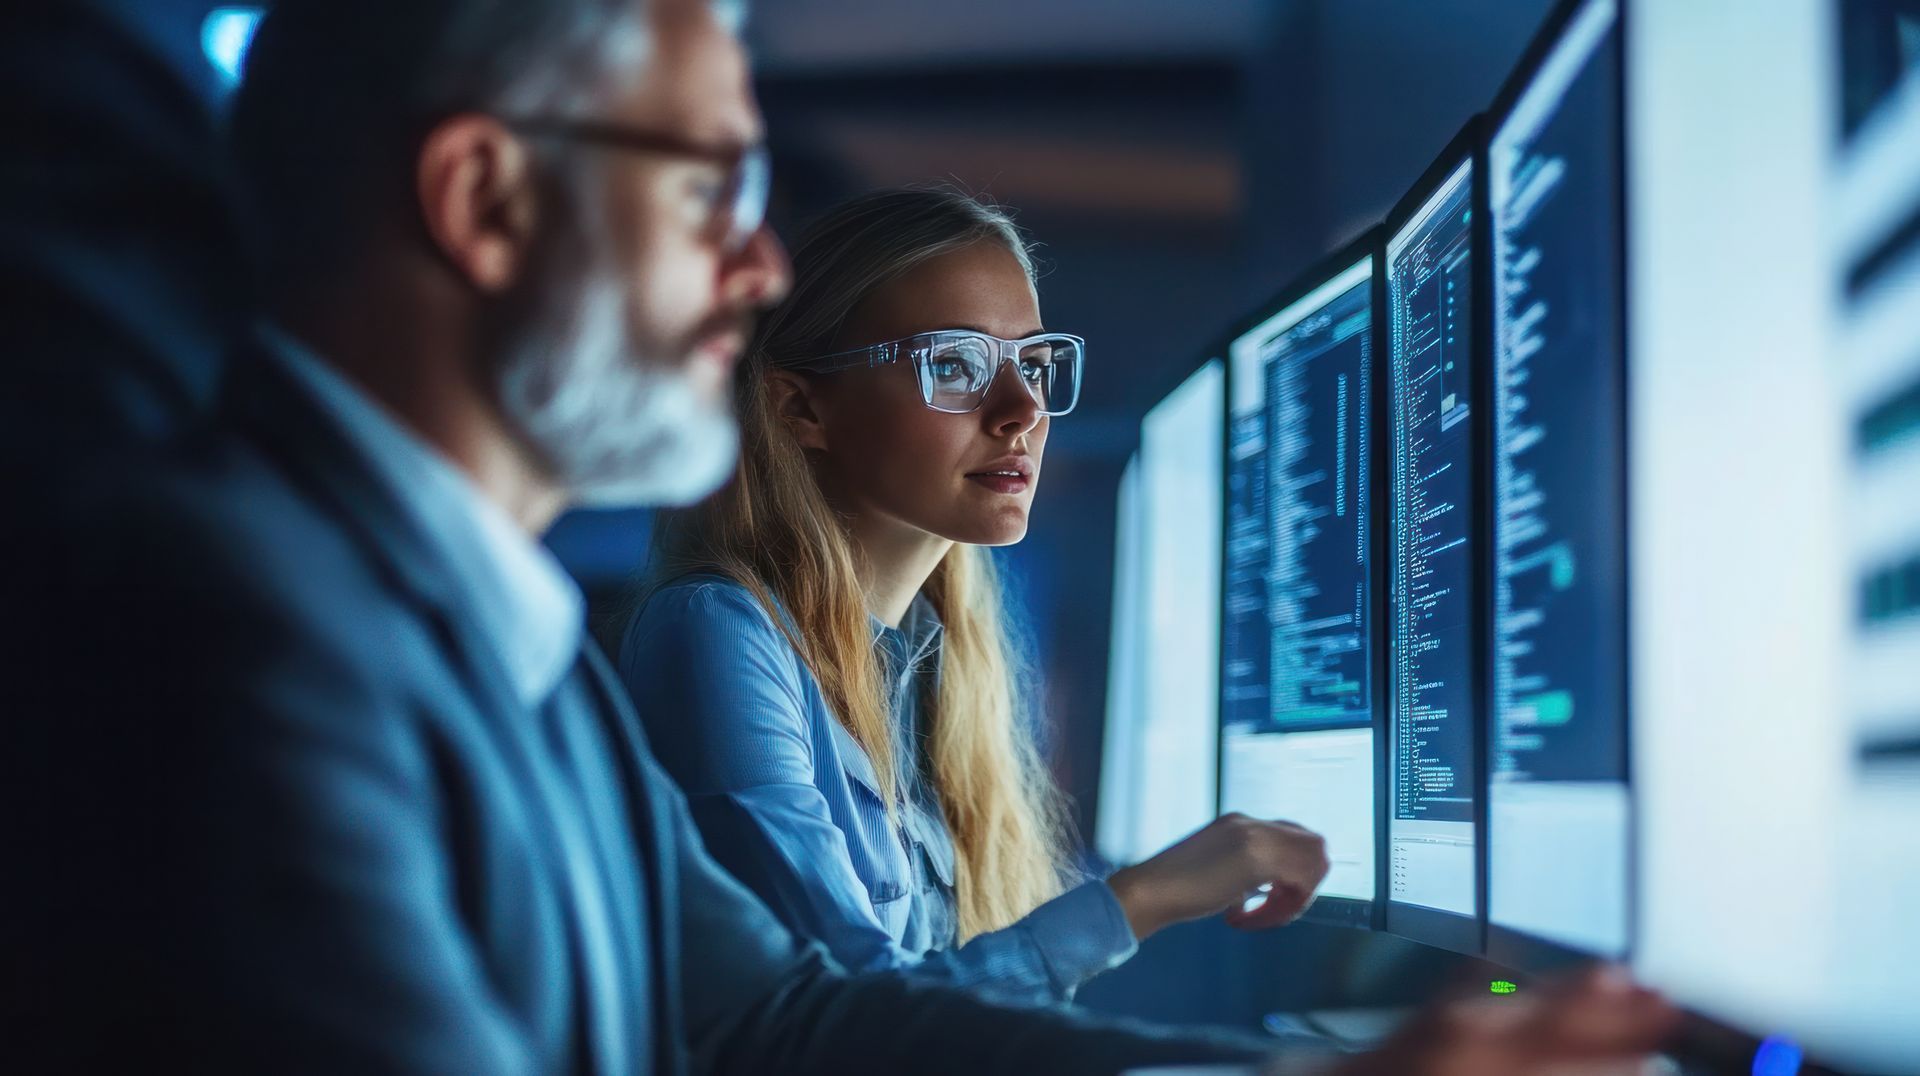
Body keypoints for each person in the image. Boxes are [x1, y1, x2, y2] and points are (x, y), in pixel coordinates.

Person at [1, 0, 1678, 1070]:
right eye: (709, 192)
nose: (754, 277)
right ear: (485, 201)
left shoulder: (520, 669)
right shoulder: (240, 638)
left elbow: (791, 1021)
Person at [622, 187, 1334, 1006]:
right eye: (954, 364)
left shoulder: (928, 662)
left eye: (1033, 364)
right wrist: (1146, 898)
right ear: (801, 407)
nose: (1023, 411)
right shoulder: (716, 631)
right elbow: (845, 1026)